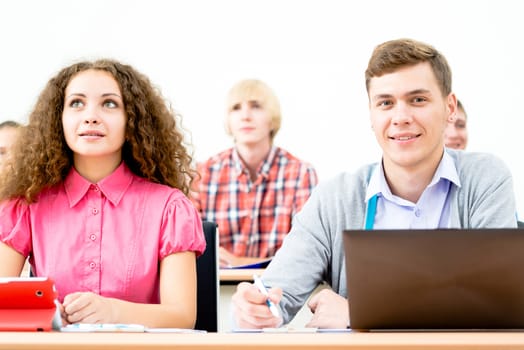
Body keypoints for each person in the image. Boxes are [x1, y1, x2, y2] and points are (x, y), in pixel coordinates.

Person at [231, 38, 517, 329]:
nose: (401, 117)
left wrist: (359, 314)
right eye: (385, 103)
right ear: (371, 113)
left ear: (449, 108)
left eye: (418, 100)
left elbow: (494, 304)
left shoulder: (485, 179)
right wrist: (256, 307)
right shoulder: (335, 198)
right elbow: (277, 294)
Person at [0, 59, 206, 328]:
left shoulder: (170, 207)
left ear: (132, 119)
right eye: (76, 103)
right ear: (58, 118)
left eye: (109, 103)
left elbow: (182, 317)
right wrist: (45, 314)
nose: (91, 116)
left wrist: (113, 311)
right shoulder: (26, 204)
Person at [191, 79, 318, 268]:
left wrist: (237, 262)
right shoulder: (203, 174)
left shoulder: (301, 174)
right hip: (217, 289)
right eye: (236, 108)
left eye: (256, 106)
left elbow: (307, 254)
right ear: (228, 120)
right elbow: (190, 250)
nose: (245, 116)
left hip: (280, 289)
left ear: (272, 118)